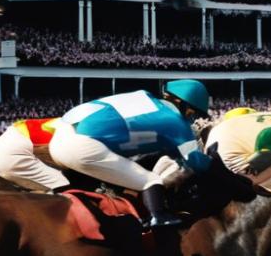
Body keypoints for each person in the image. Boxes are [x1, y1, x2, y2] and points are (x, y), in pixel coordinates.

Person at [48, 80, 212, 228]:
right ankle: (158, 217)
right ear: (180, 104)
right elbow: (195, 162)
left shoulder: (144, 99)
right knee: (150, 180)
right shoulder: (176, 121)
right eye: (193, 113)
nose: (192, 118)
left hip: (58, 138)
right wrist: (213, 159)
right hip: (82, 147)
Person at [0, 117, 69, 192]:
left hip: (2, 147)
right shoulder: (70, 128)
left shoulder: (65, 121)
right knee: (64, 184)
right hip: (11, 152)